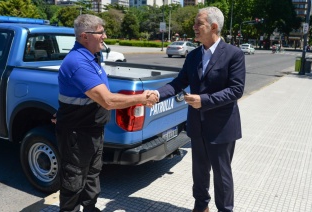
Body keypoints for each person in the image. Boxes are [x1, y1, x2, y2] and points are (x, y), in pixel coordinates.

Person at [54, 14, 158, 212]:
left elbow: (79, 95)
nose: (105, 35)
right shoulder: (78, 62)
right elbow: (108, 100)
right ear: (85, 36)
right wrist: (142, 98)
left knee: (92, 176)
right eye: (101, 32)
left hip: (92, 130)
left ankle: (90, 209)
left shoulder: (92, 57)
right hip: (77, 134)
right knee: (74, 180)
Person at [152, 7, 246, 212]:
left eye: (198, 23)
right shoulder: (193, 55)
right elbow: (179, 82)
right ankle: (201, 206)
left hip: (222, 128)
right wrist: (157, 95)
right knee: (200, 171)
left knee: (222, 175)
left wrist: (204, 100)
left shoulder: (234, 54)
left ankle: (225, 209)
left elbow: (236, 90)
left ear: (213, 27)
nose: (194, 27)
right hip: (197, 125)